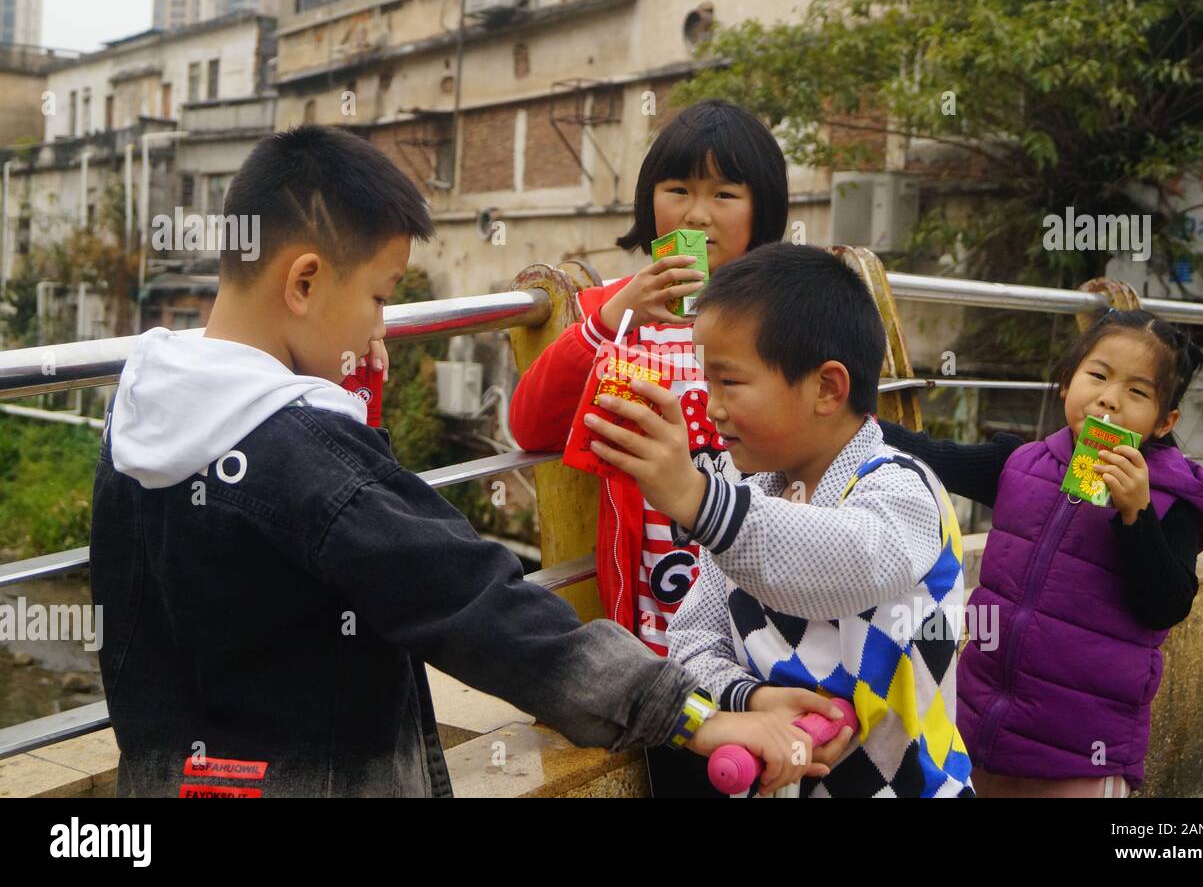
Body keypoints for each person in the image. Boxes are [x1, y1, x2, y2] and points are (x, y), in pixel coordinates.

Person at [88, 125, 842, 798]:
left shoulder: (141, 410)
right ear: (305, 281)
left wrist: (352, 411)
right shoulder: (305, 451)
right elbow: (467, 598)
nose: (383, 323)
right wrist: (690, 716)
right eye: (381, 296)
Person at [585, 244, 976, 797]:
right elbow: (693, 639)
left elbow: (844, 566)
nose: (711, 405)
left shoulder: (904, 490)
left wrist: (697, 499)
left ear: (826, 388)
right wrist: (751, 699)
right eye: (707, 381)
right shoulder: (748, 496)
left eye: (730, 382)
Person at [879, 308, 1203, 797]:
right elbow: (936, 458)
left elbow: (1166, 606)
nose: (1109, 398)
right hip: (978, 728)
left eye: (1137, 391)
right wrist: (856, 424)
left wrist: (1137, 515)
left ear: (1164, 420)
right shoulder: (1020, 464)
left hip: (1084, 752)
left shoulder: (1171, 500)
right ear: (1067, 382)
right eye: (1098, 375)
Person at [508, 99, 790, 654]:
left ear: (763, 209)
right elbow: (530, 426)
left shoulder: (788, 315)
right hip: (651, 614)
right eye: (678, 190)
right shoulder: (614, 312)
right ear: (649, 200)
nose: (697, 215)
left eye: (725, 194)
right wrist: (611, 319)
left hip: (767, 602)